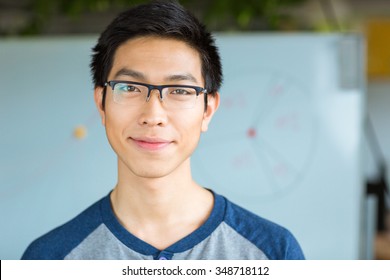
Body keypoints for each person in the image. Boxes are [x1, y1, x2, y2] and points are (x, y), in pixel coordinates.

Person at [22, 0, 304, 260]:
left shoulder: (272, 252)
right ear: (101, 104)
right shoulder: (50, 258)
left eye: (179, 90)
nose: (153, 116)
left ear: (208, 109)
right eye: (130, 88)